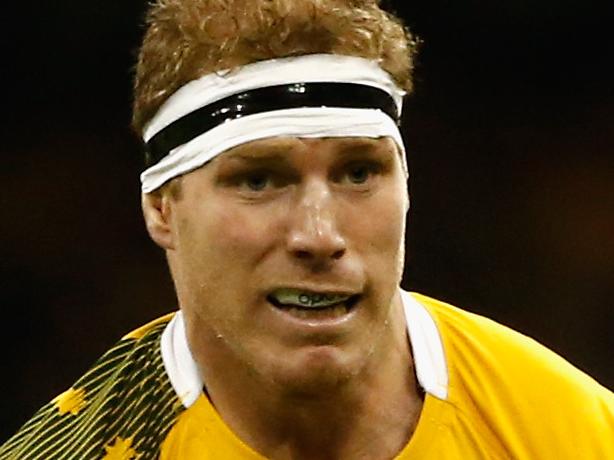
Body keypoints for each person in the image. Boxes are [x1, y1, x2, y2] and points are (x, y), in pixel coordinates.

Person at [2, 0, 612, 458]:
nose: (320, 236)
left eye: (357, 171)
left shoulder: (574, 433)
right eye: (260, 180)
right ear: (163, 207)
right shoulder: (81, 447)